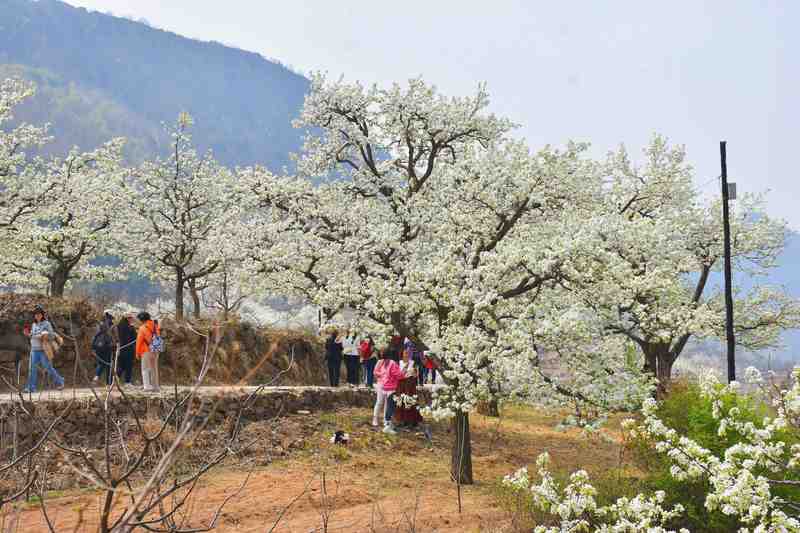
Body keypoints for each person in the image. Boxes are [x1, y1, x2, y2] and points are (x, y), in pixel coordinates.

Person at [23, 306, 65, 392]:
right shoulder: (34, 324)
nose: (37, 315)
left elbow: (52, 335)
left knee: (48, 368)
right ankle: (31, 388)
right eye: (36, 314)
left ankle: (60, 381)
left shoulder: (47, 324)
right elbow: (32, 335)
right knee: (32, 369)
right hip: (34, 350)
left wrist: (43, 335)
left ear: (42, 315)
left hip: (43, 350)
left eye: (39, 314)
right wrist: (28, 334)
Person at [372, 349, 408, 434]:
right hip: (384, 385)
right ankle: (376, 419)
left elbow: (395, 374)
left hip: (387, 386)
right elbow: (398, 375)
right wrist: (404, 372)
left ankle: (385, 421)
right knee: (382, 403)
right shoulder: (384, 362)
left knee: (386, 404)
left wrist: (384, 375)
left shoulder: (387, 362)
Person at [394, 346, 423, 427]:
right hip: (401, 385)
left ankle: (411, 420)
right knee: (401, 402)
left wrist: (414, 373)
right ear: (402, 354)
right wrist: (404, 370)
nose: (407, 354)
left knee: (410, 401)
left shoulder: (413, 362)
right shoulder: (399, 363)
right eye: (405, 353)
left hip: (410, 385)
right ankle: (401, 420)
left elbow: (416, 375)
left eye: (408, 353)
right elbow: (397, 374)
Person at [136, 311, 161, 392]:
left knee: (145, 368)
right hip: (155, 350)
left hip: (146, 350)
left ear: (142, 319)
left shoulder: (142, 328)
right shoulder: (155, 326)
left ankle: (146, 386)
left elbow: (139, 341)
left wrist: (137, 352)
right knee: (154, 368)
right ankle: (155, 386)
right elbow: (158, 337)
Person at [116, 314, 137, 385]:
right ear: (127, 318)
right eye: (130, 318)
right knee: (128, 366)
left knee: (121, 365)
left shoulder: (119, 325)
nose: (131, 319)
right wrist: (133, 329)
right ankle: (127, 382)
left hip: (120, 348)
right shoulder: (128, 327)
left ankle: (115, 380)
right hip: (128, 349)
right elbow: (133, 338)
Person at [92, 320, 114, 385]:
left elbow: (93, 344)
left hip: (98, 352)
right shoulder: (107, 335)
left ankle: (96, 376)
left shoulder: (97, 335)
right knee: (108, 367)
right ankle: (108, 383)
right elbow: (110, 344)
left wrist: (93, 350)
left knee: (100, 364)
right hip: (107, 352)